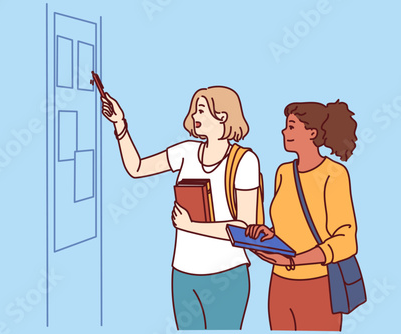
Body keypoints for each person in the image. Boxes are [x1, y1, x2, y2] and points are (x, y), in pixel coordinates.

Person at [101, 86, 266, 330]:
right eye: (194, 111)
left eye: (201, 110)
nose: (194, 117)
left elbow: (243, 227)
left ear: (222, 115)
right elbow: (137, 168)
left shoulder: (244, 160)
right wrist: (120, 125)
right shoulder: (186, 152)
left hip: (226, 274)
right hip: (183, 273)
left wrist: (191, 226)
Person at [246, 100, 359, 331]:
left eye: (291, 126)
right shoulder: (283, 172)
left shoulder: (334, 174)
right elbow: (290, 226)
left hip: (319, 284)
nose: (284, 131)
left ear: (312, 132)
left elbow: (345, 241)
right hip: (280, 284)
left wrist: (293, 261)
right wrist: (268, 234)